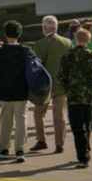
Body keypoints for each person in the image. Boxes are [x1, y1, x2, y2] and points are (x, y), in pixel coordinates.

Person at [57, 27, 92, 168]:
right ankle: (86, 148)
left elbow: (61, 76)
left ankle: (83, 156)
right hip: (89, 96)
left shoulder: (68, 56)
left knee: (77, 127)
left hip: (74, 96)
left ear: (76, 39)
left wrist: (67, 88)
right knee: (87, 124)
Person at [0, 20, 31, 163]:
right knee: (21, 120)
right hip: (22, 90)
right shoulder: (25, 51)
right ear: (19, 34)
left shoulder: (0, 53)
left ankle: (4, 148)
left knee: (6, 120)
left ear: (5, 34)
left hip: (5, 91)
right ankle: (20, 149)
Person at [31, 15, 72, 153]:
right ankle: (60, 144)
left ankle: (41, 140)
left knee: (38, 112)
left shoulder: (40, 44)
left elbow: (37, 66)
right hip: (62, 84)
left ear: (45, 28)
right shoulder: (67, 43)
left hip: (45, 85)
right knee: (60, 115)